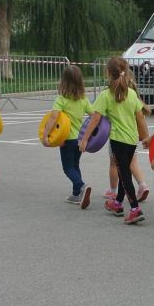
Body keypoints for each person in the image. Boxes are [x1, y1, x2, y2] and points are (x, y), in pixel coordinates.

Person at [82, 56, 148, 224]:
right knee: (123, 170)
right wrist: (145, 136)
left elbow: (95, 119)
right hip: (132, 140)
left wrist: (84, 139)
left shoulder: (105, 95)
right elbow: (140, 117)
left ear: (108, 73)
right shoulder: (131, 94)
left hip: (118, 140)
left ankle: (135, 209)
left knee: (124, 175)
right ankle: (117, 203)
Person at [43, 64, 92, 205]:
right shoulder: (83, 99)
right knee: (75, 165)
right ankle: (76, 194)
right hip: (80, 138)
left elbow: (53, 117)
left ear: (63, 81)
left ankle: (81, 186)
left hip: (66, 139)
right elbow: (94, 114)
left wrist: (46, 134)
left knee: (68, 168)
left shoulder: (61, 99)